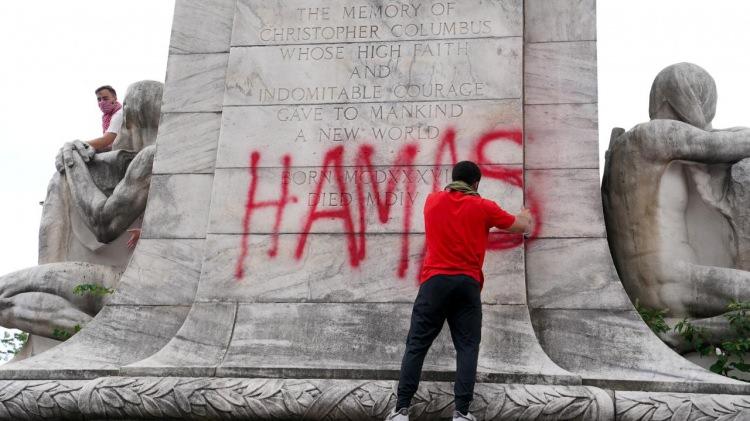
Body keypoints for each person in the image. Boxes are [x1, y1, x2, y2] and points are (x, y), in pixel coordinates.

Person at [387, 161, 532, 421]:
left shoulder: (432, 201)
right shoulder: (484, 207)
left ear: (453, 178)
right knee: (467, 347)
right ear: (476, 183)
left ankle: (401, 409)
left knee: (417, 345)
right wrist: (526, 214)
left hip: (434, 283)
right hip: (467, 284)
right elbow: (520, 226)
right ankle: (461, 413)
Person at [89, 85, 124, 152]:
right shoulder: (106, 117)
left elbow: (106, 140)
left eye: (105, 99)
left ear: (114, 98)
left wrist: (81, 144)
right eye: (99, 99)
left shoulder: (119, 113)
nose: (102, 102)